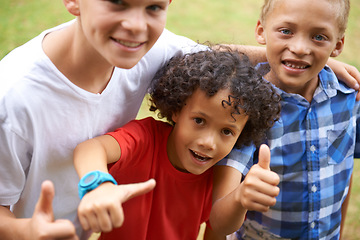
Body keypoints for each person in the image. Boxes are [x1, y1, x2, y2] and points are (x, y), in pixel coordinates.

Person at [0, 0, 358, 239]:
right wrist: (28, 230)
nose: (136, 26)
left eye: (153, 6)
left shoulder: (150, 49)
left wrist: (313, 62)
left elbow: (214, 60)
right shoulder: (13, 96)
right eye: (118, 1)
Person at [73, 49, 281, 240]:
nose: (208, 143)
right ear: (177, 110)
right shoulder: (145, 139)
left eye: (227, 131)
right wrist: (98, 186)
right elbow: (90, 149)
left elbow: (220, 228)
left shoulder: (220, 173)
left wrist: (240, 197)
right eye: (199, 120)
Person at [208, 0, 359, 239]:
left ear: (338, 44)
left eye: (318, 37)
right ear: (261, 31)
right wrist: (240, 196)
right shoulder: (244, 107)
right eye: (286, 31)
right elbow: (217, 221)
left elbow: (344, 170)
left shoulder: (348, 98)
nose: (299, 48)